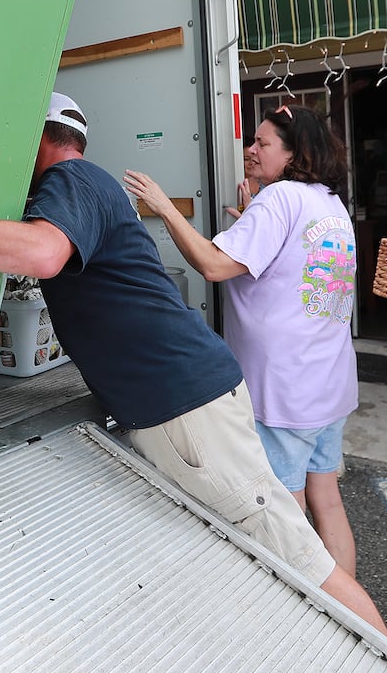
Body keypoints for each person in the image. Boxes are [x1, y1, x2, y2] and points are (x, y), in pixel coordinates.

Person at [0, 92, 387, 636]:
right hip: (196, 396)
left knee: (301, 564)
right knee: (281, 544)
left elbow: (42, 254)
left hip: (186, 404)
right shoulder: (84, 188)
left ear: (38, 138)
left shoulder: (72, 181)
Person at [123, 105, 361, 576]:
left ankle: (312, 617)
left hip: (284, 391)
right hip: (328, 384)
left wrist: (164, 206)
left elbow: (213, 265)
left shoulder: (281, 199)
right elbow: (291, 269)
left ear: (295, 154)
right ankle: (351, 605)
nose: (250, 151)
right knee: (327, 500)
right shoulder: (330, 204)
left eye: (263, 143)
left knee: (286, 515)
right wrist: (255, 218)